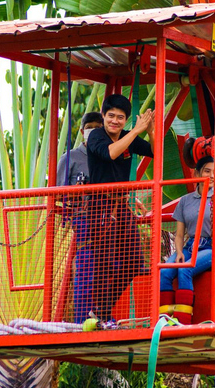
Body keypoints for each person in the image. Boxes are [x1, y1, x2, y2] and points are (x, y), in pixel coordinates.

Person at [85, 94, 155, 323]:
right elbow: (110, 153)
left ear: (125, 120)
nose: (115, 121)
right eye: (111, 116)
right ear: (103, 116)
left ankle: (102, 311)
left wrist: (151, 129)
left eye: (120, 117)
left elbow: (155, 152)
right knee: (104, 262)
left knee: (134, 262)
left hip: (121, 204)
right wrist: (136, 131)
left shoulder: (126, 136)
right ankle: (102, 314)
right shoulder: (96, 136)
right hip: (99, 205)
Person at [56, 112, 103, 323]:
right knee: (86, 268)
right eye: (90, 127)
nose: (93, 130)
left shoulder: (107, 156)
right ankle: (81, 321)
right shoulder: (70, 158)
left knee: (108, 268)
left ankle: (102, 316)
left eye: (97, 127)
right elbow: (57, 194)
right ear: (82, 131)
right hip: (81, 220)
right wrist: (75, 192)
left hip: (104, 220)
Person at [159, 156, 215, 325]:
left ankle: (182, 321)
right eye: (207, 171)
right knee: (164, 272)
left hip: (214, 246)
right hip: (190, 246)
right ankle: (165, 319)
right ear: (196, 173)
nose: (211, 176)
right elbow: (179, 234)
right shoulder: (185, 201)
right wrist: (179, 252)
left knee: (185, 270)